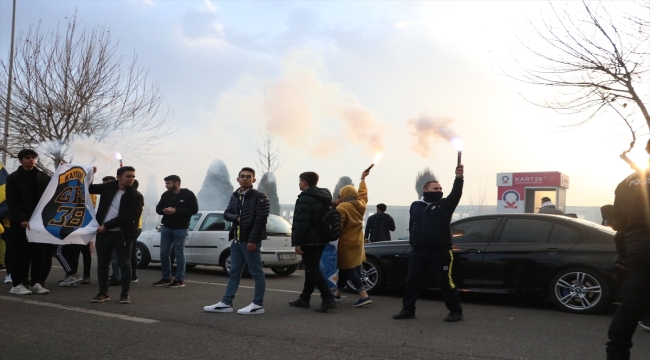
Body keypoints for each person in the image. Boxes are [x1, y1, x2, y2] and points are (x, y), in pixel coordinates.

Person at [393, 165, 464, 321]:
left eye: (440, 188)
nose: (439, 190)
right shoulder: (415, 206)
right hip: (418, 252)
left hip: (440, 252)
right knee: (412, 281)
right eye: (435, 188)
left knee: (445, 282)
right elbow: (413, 225)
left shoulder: (445, 205)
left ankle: (455, 311)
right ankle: (408, 309)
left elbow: (456, 193)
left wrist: (459, 178)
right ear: (425, 191)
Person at [605, 139, 650, 360]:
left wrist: (623, 254)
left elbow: (619, 225)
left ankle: (616, 353)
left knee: (632, 303)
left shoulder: (626, 183)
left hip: (638, 246)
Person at [203, 167, 269, 315]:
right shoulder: (235, 196)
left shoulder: (260, 197)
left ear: (253, 180)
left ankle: (258, 304)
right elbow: (227, 213)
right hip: (237, 240)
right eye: (242, 176)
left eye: (248, 176)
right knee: (234, 273)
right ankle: (226, 303)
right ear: (237, 179)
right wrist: (236, 218)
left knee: (257, 273)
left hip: (250, 241)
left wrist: (252, 240)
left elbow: (260, 221)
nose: (245, 178)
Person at [88, 166, 143, 304]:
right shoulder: (108, 187)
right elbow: (88, 188)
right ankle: (103, 293)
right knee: (102, 264)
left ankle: (125, 294)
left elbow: (128, 216)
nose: (131, 179)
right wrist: (90, 174)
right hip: (104, 234)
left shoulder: (136, 196)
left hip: (123, 235)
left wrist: (105, 225)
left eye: (133, 177)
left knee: (124, 264)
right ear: (118, 177)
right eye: (128, 176)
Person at [288, 171, 337, 312]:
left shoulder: (305, 198)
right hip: (322, 238)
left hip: (309, 240)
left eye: (299, 181)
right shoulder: (324, 197)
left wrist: (298, 242)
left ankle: (328, 299)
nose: (299, 183)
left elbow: (302, 222)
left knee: (312, 269)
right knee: (311, 269)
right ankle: (304, 298)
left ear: (304, 182)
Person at [6, 149, 53, 295]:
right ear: (20, 160)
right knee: (20, 254)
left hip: (39, 222)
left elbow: (55, 190)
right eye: (27, 158)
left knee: (39, 254)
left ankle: (36, 283)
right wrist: (21, 219)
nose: (31, 160)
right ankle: (18, 284)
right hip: (21, 223)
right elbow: (12, 201)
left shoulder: (43, 176)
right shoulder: (14, 178)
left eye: (33, 157)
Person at [332, 169, 372, 307]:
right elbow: (363, 194)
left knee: (349, 269)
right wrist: (362, 179)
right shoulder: (361, 204)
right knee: (346, 268)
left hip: (345, 242)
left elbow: (338, 226)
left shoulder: (342, 207)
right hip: (358, 241)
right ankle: (337, 294)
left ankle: (363, 295)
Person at [152, 175, 198, 288]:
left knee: (179, 254)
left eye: (168, 183)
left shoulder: (188, 194)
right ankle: (166, 278)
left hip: (181, 228)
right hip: (166, 227)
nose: (166, 186)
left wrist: (176, 211)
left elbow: (194, 209)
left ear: (176, 183)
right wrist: (164, 210)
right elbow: (158, 209)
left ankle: (179, 279)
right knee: (163, 253)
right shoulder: (166, 195)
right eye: (166, 183)